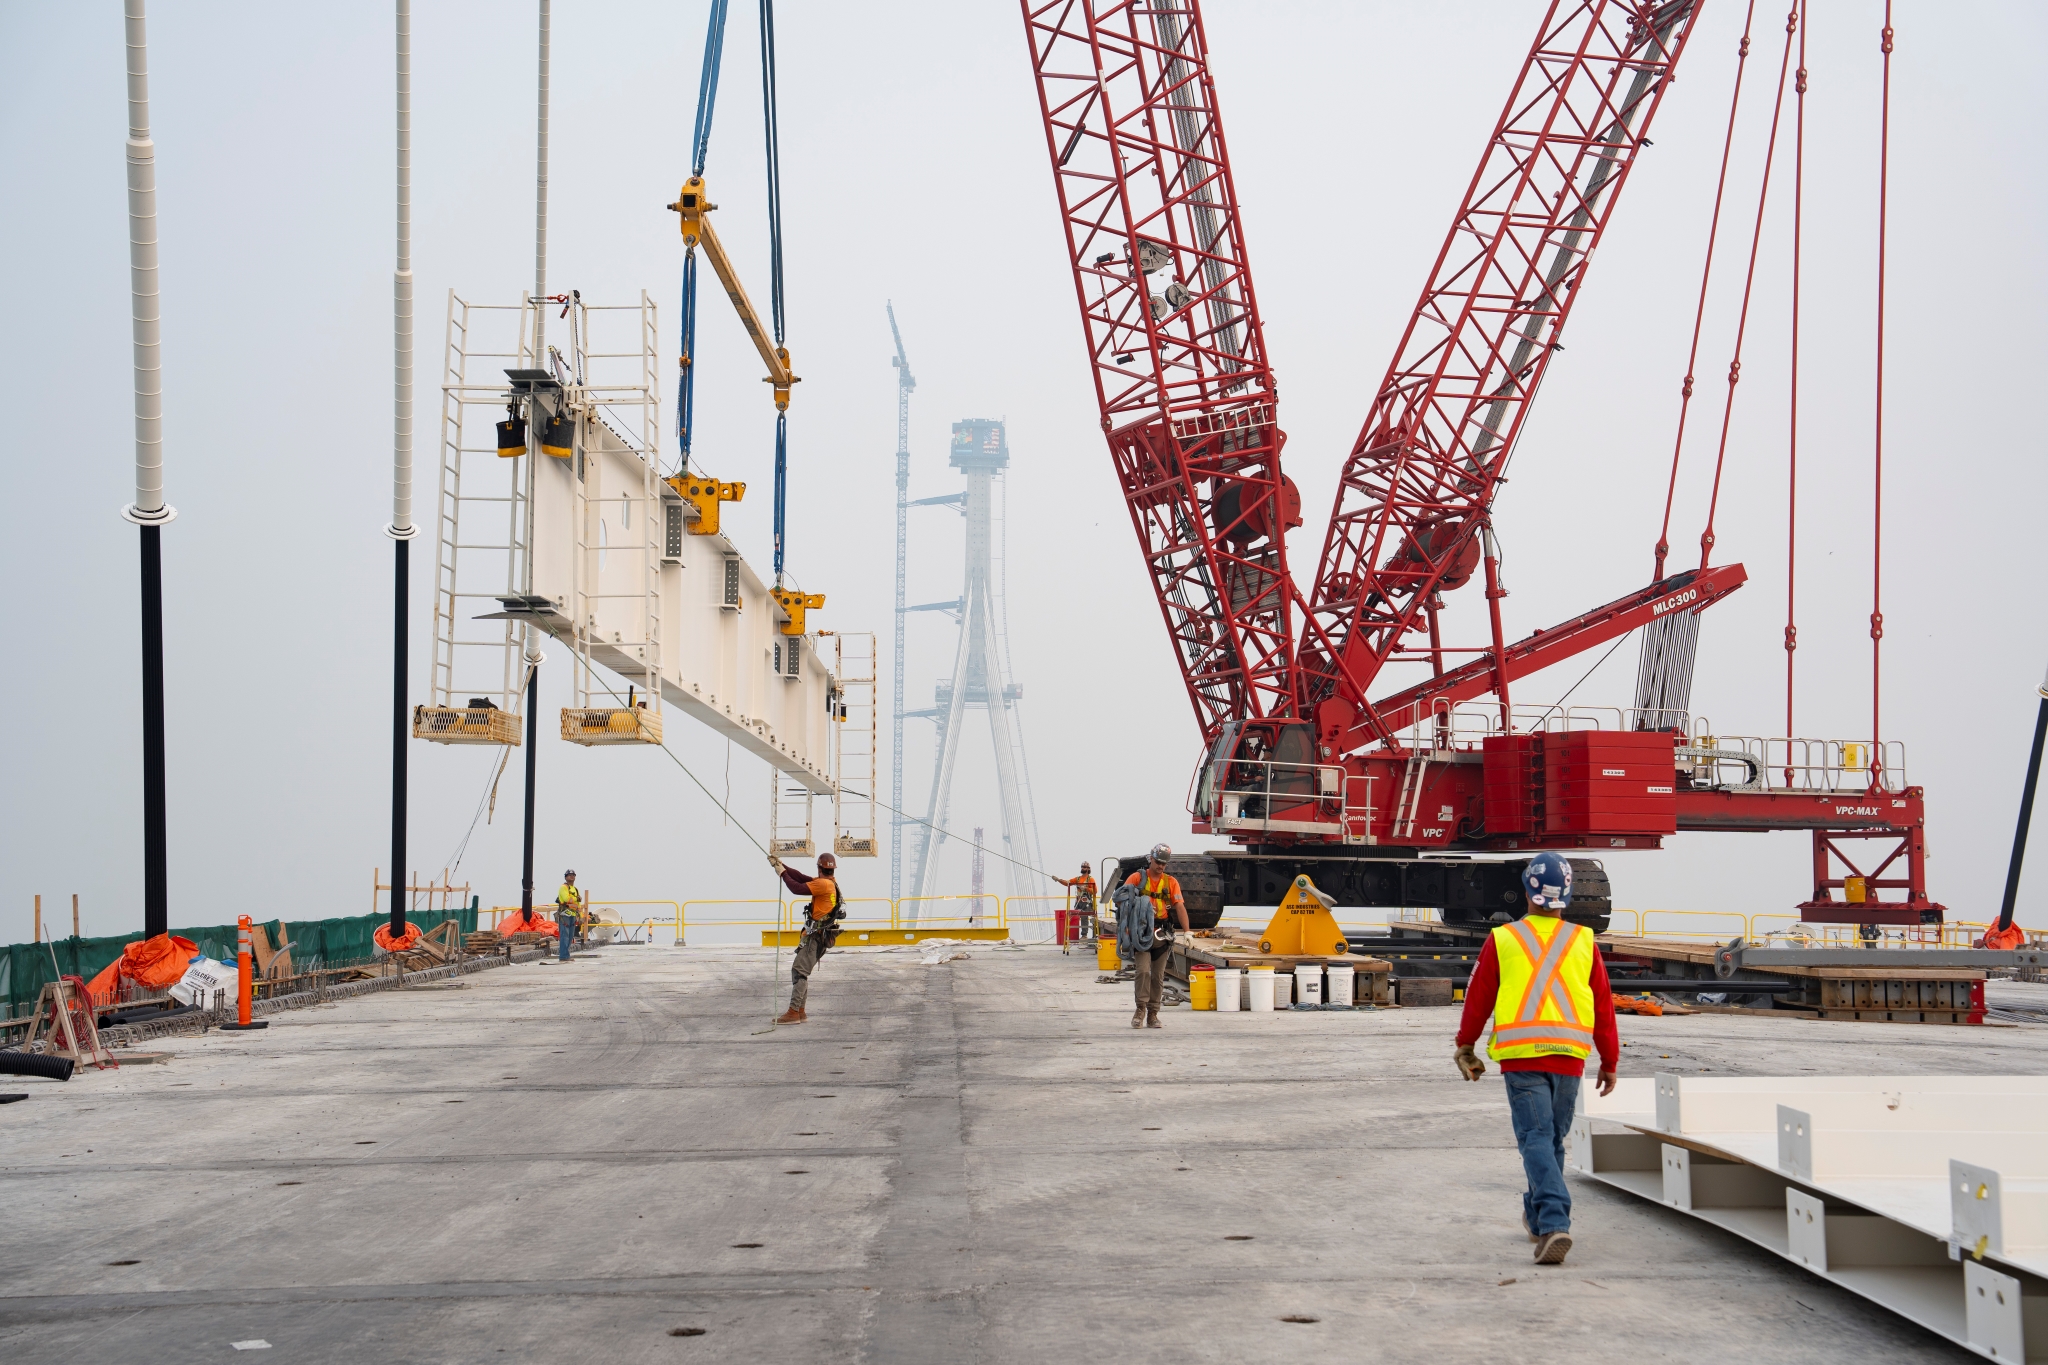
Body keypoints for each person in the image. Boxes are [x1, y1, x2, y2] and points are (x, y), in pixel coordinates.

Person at [1452, 850, 1619, 1266]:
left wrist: (1466, 1045)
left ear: (1527, 891)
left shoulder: (1504, 939)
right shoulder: (1584, 940)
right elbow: (1603, 1005)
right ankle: (1536, 1214)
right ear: (1566, 896)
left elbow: (1479, 997)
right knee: (1549, 1142)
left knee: (1536, 1140)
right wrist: (1610, 1059)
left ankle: (1554, 1222)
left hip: (1524, 1059)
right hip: (1571, 1059)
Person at [1119, 844, 1190, 1029]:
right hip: (1141, 935)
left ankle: (1153, 1014)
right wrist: (1126, 927)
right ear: (1151, 859)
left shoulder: (1171, 882)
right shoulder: (1137, 878)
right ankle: (1140, 1009)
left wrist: (1187, 931)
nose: (1160, 866)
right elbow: (1123, 903)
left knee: (1157, 976)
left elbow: (1179, 906)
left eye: (1164, 864)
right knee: (1143, 971)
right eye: (1158, 862)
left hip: (1161, 935)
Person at [769, 851, 843, 1025]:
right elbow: (801, 877)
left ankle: (794, 1012)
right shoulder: (829, 883)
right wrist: (781, 865)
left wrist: (782, 873)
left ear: (819, 868)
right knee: (799, 971)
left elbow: (796, 887)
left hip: (815, 937)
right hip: (818, 935)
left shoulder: (823, 885)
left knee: (800, 971)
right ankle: (800, 1011)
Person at [1053, 862, 1098, 953]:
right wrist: (1058, 880)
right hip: (1079, 902)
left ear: (1088, 869)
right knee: (1079, 917)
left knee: (1085, 917)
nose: (1083, 868)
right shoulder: (1078, 879)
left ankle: (1085, 935)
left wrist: (1085, 888)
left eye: (1085, 867)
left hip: (1087, 902)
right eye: (1082, 867)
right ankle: (1078, 935)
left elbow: (1094, 891)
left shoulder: (1090, 879)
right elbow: (1068, 883)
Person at [554, 869, 585, 961]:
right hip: (564, 915)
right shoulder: (563, 887)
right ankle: (563, 956)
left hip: (572, 915)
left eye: (573, 875)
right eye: (569, 875)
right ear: (566, 877)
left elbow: (578, 905)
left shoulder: (575, 889)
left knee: (570, 936)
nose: (571, 876)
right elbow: (566, 899)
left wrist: (581, 916)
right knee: (564, 935)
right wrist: (576, 898)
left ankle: (566, 955)